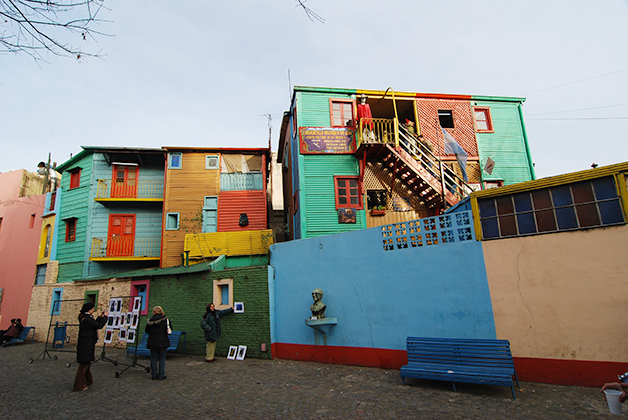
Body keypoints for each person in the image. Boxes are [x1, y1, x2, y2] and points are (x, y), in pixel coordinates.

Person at [73, 303, 107, 391]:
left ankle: (87, 380)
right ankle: (79, 385)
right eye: (92, 308)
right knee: (84, 363)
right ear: (89, 310)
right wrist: (105, 318)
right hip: (85, 344)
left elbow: (94, 323)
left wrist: (100, 317)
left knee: (88, 361)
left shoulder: (87, 318)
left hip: (88, 343)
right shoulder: (86, 319)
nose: (93, 310)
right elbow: (98, 325)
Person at [145, 306, 170, 380]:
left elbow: (147, 331)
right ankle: (161, 374)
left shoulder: (150, 321)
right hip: (163, 341)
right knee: (162, 358)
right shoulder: (165, 320)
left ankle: (154, 375)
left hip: (153, 342)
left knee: (153, 358)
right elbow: (169, 329)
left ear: (154, 312)